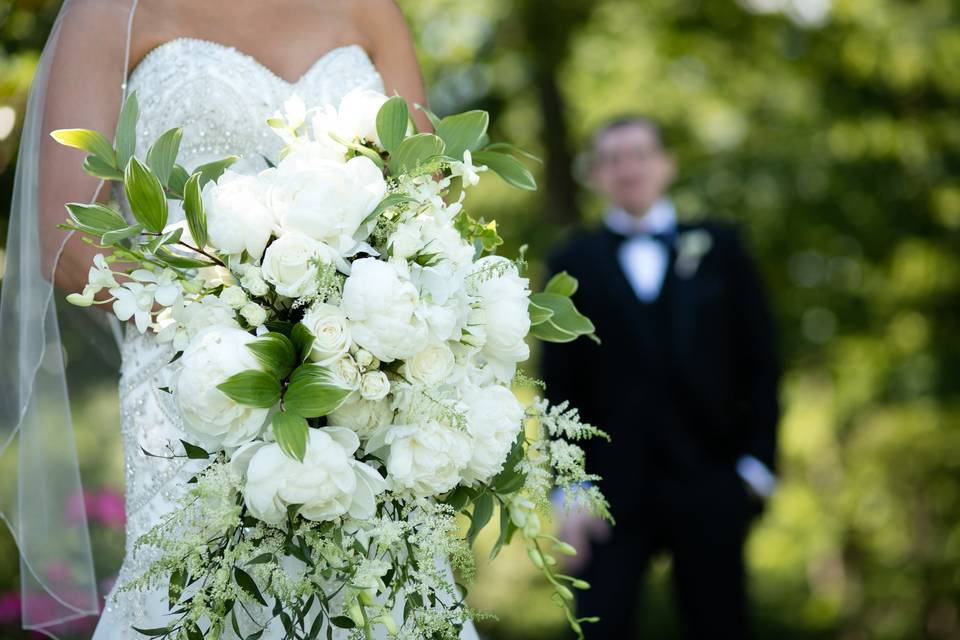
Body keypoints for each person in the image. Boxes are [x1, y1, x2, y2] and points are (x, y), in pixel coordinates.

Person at [0, 1, 476, 638]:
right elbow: (66, 241)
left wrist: (354, 313)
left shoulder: (369, 8)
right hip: (195, 383)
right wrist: (224, 307)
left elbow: (423, 200)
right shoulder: (112, 10)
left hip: (358, 376)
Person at [542, 116, 781, 639]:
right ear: (595, 175)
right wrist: (569, 493)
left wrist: (757, 468)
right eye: (612, 159)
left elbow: (760, 360)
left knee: (720, 625)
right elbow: (556, 385)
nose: (628, 168)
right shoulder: (570, 261)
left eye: (639, 154)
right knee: (597, 628)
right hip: (606, 491)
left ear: (666, 164)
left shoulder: (722, 247)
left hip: (712, 479)